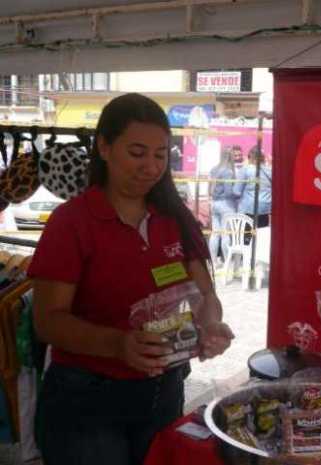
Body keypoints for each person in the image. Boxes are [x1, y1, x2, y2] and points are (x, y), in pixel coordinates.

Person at [28, 93, 234, 465]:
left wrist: (211, 324)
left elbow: (205, 293)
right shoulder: (72, 223)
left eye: (160, 155)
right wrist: (118, 345)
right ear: (104, 147)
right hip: (86, 401)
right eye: (137, 153)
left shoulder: (175, 217)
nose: (151, 167)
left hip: (163, 391)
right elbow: (48, 321)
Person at [208, 146, 237, 264]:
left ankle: (213, 262)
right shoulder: (228, 171)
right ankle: (227, 262)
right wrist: (238, 193)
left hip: (214, 203)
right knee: (226, 235)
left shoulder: (214, 169)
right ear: (231, 157)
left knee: (215, 234)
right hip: (226, 204)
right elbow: (229, 191)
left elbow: (209, 187)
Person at [234, 145, 272, 229]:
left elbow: (237, 191)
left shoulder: (246, 170)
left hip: (248, 208)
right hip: (265, 208)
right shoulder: (270, 170)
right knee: (261, 235)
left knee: (247, 237)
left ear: (250, 157)